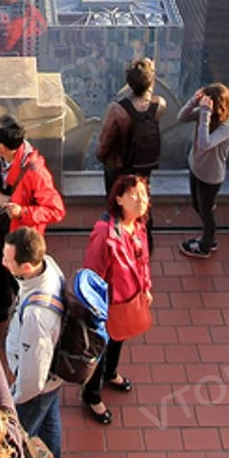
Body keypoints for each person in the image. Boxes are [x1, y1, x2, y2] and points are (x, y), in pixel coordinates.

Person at [0, 116, 65, 332]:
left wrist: (24, 212)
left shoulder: (35, 173)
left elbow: (56, 210)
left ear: (3, 146)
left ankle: (29, 320)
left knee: (21, 279)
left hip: (21, 235)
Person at [82, 175, 151, 424]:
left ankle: (111, 373)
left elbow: (143, 261)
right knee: (100, 349)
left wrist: (145, 287)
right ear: (119, 199)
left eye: (143, 194)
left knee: (119, 339)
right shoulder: (105, 234)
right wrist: (95, 308)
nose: (141, 200)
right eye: (134, 195)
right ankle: (92, 394)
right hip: (107, 304)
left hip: (128, 302)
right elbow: (92, 273)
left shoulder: (138, 225)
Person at [1, 226, 65, 458]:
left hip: (37, 387)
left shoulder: (37, 317)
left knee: (22, 436)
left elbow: (32, 380)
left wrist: (14, 398)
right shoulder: (47, 264)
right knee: (50, 421)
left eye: (8, 259)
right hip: (52, 378)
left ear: (26, 267)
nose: (3, 262)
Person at [178, 82, 229, 259]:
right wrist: (193, 101)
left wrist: (204, 113)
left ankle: (206, 244)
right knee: (197, 205)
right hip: (196, 167)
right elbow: (181, 118)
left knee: (207, 212)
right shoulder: (207, 116)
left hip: (211, 175)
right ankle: (208, 237)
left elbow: (205, 144)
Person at [95, 57, 166, 198]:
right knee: (141, 195)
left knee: (117, 200)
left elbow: (104, 143)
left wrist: (100, 157)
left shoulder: (117, 109)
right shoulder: (159, 105)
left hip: (120, 166)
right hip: (144, 164)